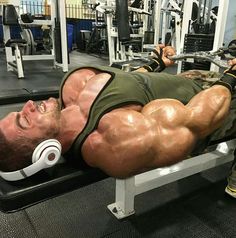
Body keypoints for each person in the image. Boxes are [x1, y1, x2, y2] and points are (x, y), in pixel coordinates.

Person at [1, 45, 236, 197]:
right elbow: (200, 119)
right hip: (213, 98)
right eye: (25, 121)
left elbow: (127, 83)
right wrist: (231, 78)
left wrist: (156, 64)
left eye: (20, 112)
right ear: (45, 153)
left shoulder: (70, 91)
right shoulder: (118, 139)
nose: (29, 106)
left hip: (191, 81)